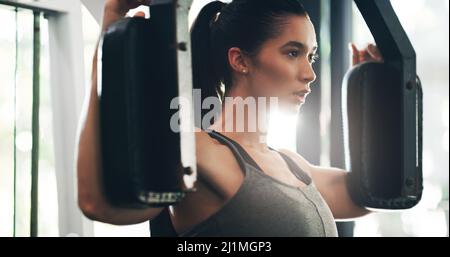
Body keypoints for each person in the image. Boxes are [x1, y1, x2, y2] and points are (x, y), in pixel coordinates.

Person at [76, 0, 384, 237]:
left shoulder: (294, 165)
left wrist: (376, 97)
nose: (310, 73)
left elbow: (374, 194)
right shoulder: (198, 151)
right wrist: (110, 31)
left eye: (311, 56)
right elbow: (97, 203)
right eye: (292, 53)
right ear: (240, 60)